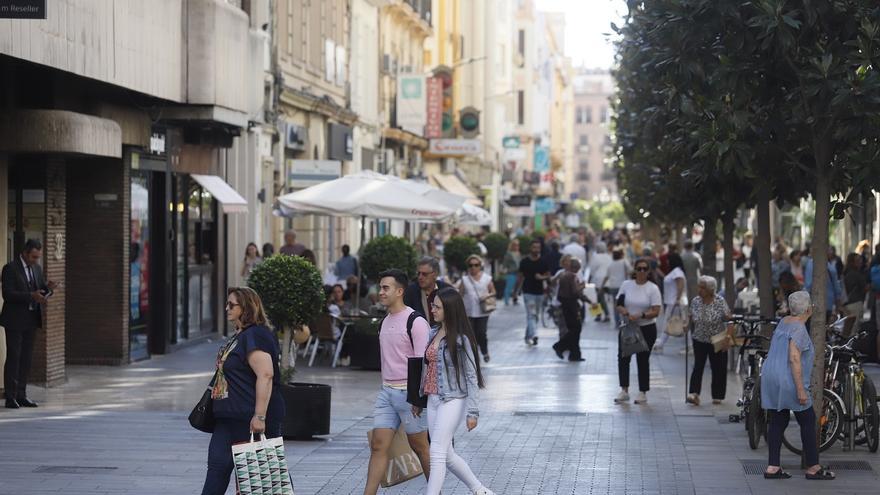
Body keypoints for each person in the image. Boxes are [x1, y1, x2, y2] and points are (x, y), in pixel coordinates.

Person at [202, 287, 285, 494]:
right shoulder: (240, 336)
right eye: (227, 304)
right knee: (217, 469)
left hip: (250, 418)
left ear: (246, 307)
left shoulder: (256, 335)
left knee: (264, 479)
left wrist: (260, 416)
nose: (227, 308)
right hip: (228, 417)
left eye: (232, 305)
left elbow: (266, 375)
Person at [412, 287, 495, 495]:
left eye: (437, 307)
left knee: (437, 451)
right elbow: (427, 368)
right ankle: (480, 490)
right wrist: (417, 399)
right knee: (447, 455)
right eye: (433, 305)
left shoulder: (461, 340)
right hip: (432, 398)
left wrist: (472, 412)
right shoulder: (433, 332)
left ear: (450, 309)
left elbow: (471, 376)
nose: (433, 310)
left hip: (452, 399)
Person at [364, 269, 431, 495]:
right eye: (380, 287)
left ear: (400, 291)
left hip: (409, 394)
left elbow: (423, 363)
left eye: (386, 288)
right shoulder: (385, 321)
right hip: (386, 393)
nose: (381, 292)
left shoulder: (416, 321)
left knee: (421, 447)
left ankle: (436, 490)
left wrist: (418, 398)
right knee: (378, 445)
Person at [761, 291, 835, 480]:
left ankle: (773, 467)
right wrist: (801, 389)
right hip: (788, 380)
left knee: (778, 421)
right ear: (809, 308)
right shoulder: (799, 329)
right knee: (808, 420)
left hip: (771, 376)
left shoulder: (784, 321)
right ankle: (813, 467)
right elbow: (794, 357)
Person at [1, 239, 56, 408]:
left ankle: (22, 394)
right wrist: (31, 296)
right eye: (33, 257)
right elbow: (8, 294)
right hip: (15, 320)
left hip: (32, 319)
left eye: (38, 257)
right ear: (25, 253)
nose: (35, 260)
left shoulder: (37, 269)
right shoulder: (10, 268)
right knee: (14, 357)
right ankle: (10, 397)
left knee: (26, 358)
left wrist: (49, 289)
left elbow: (39, 291)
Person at [614, 258, 662, 405]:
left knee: (642, 359)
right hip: (629, 326)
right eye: (639, 268)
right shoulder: (626, 285)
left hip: (646, 327)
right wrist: (626, 313)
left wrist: (641, 315)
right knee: (623, 358)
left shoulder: (652, 288)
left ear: (648, 271)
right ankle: (624, 390)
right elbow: (619, 304)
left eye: (644, 269)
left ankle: (642, 391)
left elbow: (656, 311)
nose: (641, 271)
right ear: (634, 270)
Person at [687, 276, 733, 405]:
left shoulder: (719, 301)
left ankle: (717, 396)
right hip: (699, 338)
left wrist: (728, 338)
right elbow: (690, 315)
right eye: (699, 286)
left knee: (718, 367)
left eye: (703, 287)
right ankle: (694, 393)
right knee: (698, 366)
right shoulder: (695, 301)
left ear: (710, 289)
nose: (699, 289)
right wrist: (686, 325)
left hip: (717, 339)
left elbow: (730, 320)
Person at [458, 254, 496, 363]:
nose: (473, 267)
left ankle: (484, 351)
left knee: (481, 333)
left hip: (483, 311)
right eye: (471, 265)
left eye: (476, 265)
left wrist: (487, 295)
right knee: (470, 335)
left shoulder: (486, 278)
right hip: (468, 312)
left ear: (480, 266)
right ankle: (474, 355)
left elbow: (493, 291)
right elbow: (460, 295)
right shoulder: (464, 279)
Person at [516, 240, 551, 346]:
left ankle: (528, 336)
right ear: (530, 248)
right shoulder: (524, 261)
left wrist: (542, 277)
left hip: (540, 293)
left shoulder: (544, 261)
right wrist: (516, 290)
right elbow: (520, 277)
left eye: (538, 247)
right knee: (531, 315)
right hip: (528, 292)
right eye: (534, 247)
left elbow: (549, 275)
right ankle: (534, 334)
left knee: (535, 316)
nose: (536, 249)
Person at [552, 259, 587, 362]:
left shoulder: (566, 275)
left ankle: (574, 354)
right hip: (570, 307)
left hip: (568, 306)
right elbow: (575, 292)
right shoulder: (570, 276)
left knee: (575, 330)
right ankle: (560, 346)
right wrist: (581, 287)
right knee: (575, 329)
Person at [404, 257, 453, 326]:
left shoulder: (447, 290)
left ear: (435, 274)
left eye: (424, 274)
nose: (420, 277)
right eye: (418, 273)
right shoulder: (410, 291)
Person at [654, 253, 687, 353]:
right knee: (679, 323)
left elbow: (680, 284)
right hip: (673, 301)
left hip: (675, 302)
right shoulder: (675, 272)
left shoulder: (677, 272)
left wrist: (677, 299)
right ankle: (689, 345)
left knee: (670, 322)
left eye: (668, 260)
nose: (667, 262)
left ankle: (660, 344)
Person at [804, 248, 844, 320]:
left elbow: (808, 285)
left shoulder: (811, 264)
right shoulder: (830, 267)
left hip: (814, 304)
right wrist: (838, 303)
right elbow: (837, 288)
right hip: (828, 304)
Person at [604, 249, 631, 327]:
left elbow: (607, 276)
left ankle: (617, 322)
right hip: (623, 286)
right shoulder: (624, 262)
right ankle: (625, 321)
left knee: (616, 305)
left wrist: (602, 285)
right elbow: (630, 270)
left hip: (613, 286)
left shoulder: (610, 264)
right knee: (624, 304)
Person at [589, 242, 613, 322]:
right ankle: (601, 315)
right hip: (608, 279)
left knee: (599, 298)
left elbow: (592, 269)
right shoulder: (609, 256)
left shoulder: (595, 257)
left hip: (598, 279)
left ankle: (603, 315)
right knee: (601, 298)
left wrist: (590, 277)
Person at [843, 252, 868, 325]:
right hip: (855, 303)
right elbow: (865, 288)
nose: (860, 262)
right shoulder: (857, 274)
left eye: (860, 260)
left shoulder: (845, 273)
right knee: (854, 329)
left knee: (848, 329)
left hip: (846, 304)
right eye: (858, 260)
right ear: (852, 262)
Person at [501, 239, 521, 305]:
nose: (516, 247)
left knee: (517, 288)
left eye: (517, 245)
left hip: (518, 273)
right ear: (512, 246)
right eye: (515, 245)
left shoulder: (519, 253)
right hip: (511, 273)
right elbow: (505, 263)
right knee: (509, 287)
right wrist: (504, 270)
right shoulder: (508, 254)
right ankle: (506, 301)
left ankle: (515, 299)